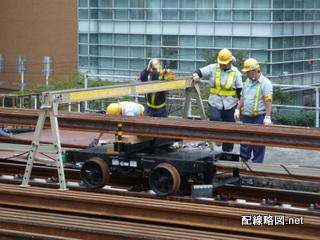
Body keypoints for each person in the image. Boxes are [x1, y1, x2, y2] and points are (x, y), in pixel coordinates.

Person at [192, 48, 243, 152]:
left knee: (230, 129)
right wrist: (195, 75)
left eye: (225, 63)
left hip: (231, 103)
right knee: (214, 118)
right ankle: (218, 138)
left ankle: (227, 152)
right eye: (221, 63)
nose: (222, 65)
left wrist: (240, 107)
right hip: (215, 101)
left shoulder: (236, 73)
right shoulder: (213, 68)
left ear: (230, 61)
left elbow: (240, 90)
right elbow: (199, 71)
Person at [234, 58, 273, 163]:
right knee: (245, 139)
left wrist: (267, 116)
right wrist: (237, 109)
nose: (246, 74)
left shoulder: (265, 83)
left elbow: (268, 101)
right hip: (247, 116)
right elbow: (243, 96)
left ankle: (257, 162)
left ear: (254, 71)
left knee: (258, 141)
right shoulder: (248, 81)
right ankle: (244, 158)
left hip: (259, 116)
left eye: (248, 72)